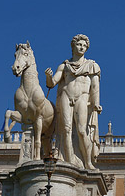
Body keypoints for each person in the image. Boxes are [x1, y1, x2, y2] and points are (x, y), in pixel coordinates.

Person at [45, 34, 102, 170]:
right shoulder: (64, 66)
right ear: (73, 46)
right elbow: (52, 83)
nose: (81, 47)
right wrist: (48, 76)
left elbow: (95, 87)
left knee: (82, 131)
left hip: (82, 97)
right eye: (79, 44)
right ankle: (69, 160)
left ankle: (87, 162)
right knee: (65, 129)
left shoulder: (92, 65)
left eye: (84, 45)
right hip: (66, 95)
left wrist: (95, 103)